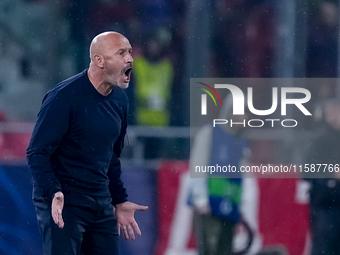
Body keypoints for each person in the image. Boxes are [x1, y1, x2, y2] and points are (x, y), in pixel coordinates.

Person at [26, 31, 148, 255]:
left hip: (101, 201)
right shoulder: (63, 97)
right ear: (99, 60)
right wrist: (53, 191)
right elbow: (36, 152)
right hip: (64, 200)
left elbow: (111, 157)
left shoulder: (120, 100)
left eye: (130, 52)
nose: (130, 58)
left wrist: (119, 200)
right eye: (121, 52)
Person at [305, 99, 340, 255]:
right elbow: (308, 170)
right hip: (325, 206)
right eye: (330, 112)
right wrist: (332, 174)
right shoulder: (320, 141)